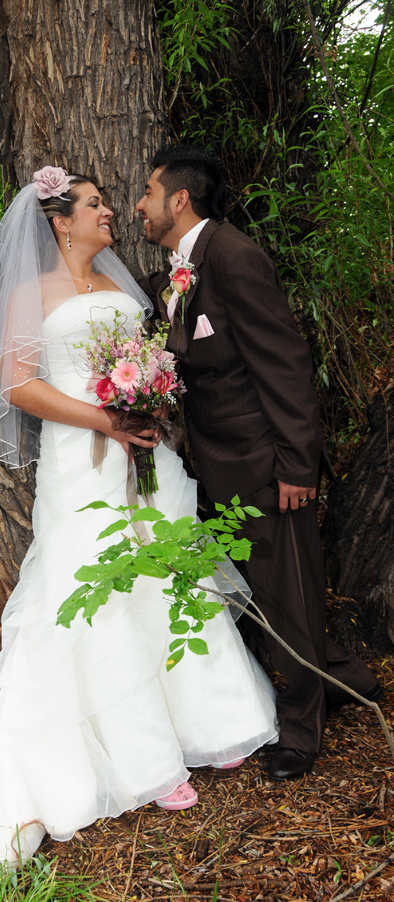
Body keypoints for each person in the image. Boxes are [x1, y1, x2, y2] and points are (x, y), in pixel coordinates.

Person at [0, 167, 278, 880]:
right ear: (61, 222)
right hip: (78, 462)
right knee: (107, 596)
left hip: (142, 457)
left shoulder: (124, 290)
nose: (109, 212)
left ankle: (211, 721)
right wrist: (103, 417)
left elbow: (149, 360)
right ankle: (147, 760)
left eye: (108, 203)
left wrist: (146, 405)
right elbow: (19, 384)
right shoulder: (31, 293)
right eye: (94, 205)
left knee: (166, 572)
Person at [136, 143, 382, 782]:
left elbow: (286, 365)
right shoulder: (179, 270)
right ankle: (343, 679)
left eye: (147, 192)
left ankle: (302, 731)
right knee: (262, 597)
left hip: (265, 465)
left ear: (178, 199)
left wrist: (299, 467)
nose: (139, 204)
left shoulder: (235, 257)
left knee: (287, 593)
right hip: (216, 464)